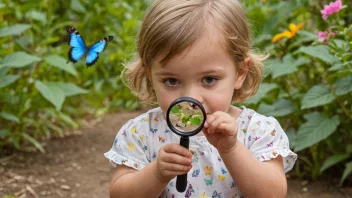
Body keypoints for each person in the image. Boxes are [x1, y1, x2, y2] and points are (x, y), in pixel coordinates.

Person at [104, 0, 297, 197]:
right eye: (171, 81)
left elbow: (273, 194)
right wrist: (156, 174)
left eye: (209, 79)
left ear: (240, 73)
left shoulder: (257, 131)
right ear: (149, 76)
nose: (190, 98)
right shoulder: (142, 133)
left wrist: (232, 150)